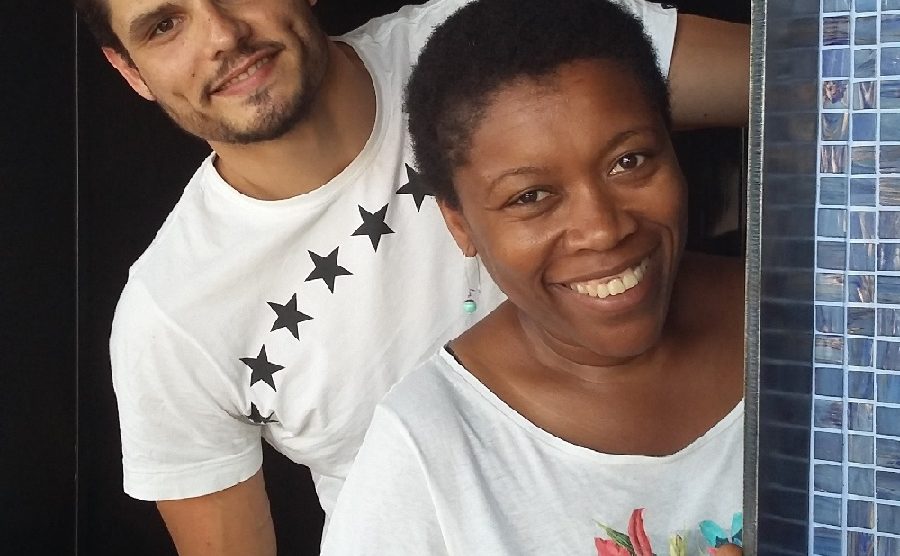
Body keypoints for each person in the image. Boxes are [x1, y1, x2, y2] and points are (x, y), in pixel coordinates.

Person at [72, 0, 748, 553]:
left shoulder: (493, 43)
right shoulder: (170, 320)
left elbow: (802, 80)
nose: (222, 35)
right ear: (130, 71)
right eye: (165, 25)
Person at [320, 0, 744, 554]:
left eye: (629, 161)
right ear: (460, 225)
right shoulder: (428, 454)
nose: (602, 230)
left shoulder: (823, 321)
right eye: (531, 196)